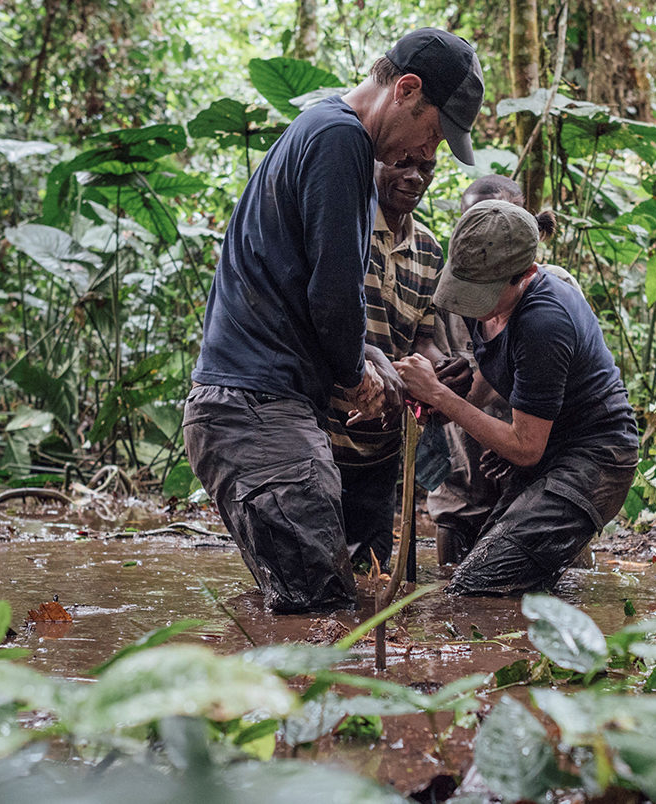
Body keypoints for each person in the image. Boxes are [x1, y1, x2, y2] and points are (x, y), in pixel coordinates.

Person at [184, 29, 484, 613]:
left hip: (252, 408)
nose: (428, 153)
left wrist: (365, 358)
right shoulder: (341, 139)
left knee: (304, 614)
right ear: (406, 89)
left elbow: (307, 289)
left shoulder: (323, 128)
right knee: (323, 618)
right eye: (433, 133)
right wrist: (357, 377)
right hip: (257, 410)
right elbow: (334, 293)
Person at [395, 201, 638, 596]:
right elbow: (493, 382)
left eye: (482, 294)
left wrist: (437, 392)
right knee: (489, 570)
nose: (472, 306)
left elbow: (526, 448)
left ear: (525, 275)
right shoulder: (487, 302)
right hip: (549, 448)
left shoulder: (545, 320)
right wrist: (444, 397)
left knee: (480, 584)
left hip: (596, 456)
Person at [324, 154, 471, 572]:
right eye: (402, 163)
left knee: (381, 582)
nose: (415, 177)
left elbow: (420, 340)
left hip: (384, 445)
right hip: (324, 435)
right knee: (319, 579)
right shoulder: (344, 227)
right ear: (371, 161)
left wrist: (445, 368)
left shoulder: (427, 248)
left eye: (426, 167)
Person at [427, 176, 570, 566]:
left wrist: (521, 449)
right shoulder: (448, 291)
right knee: (452, 602)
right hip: (464, 485)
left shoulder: (552, 290)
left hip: (536, 480)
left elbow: (569, 387)